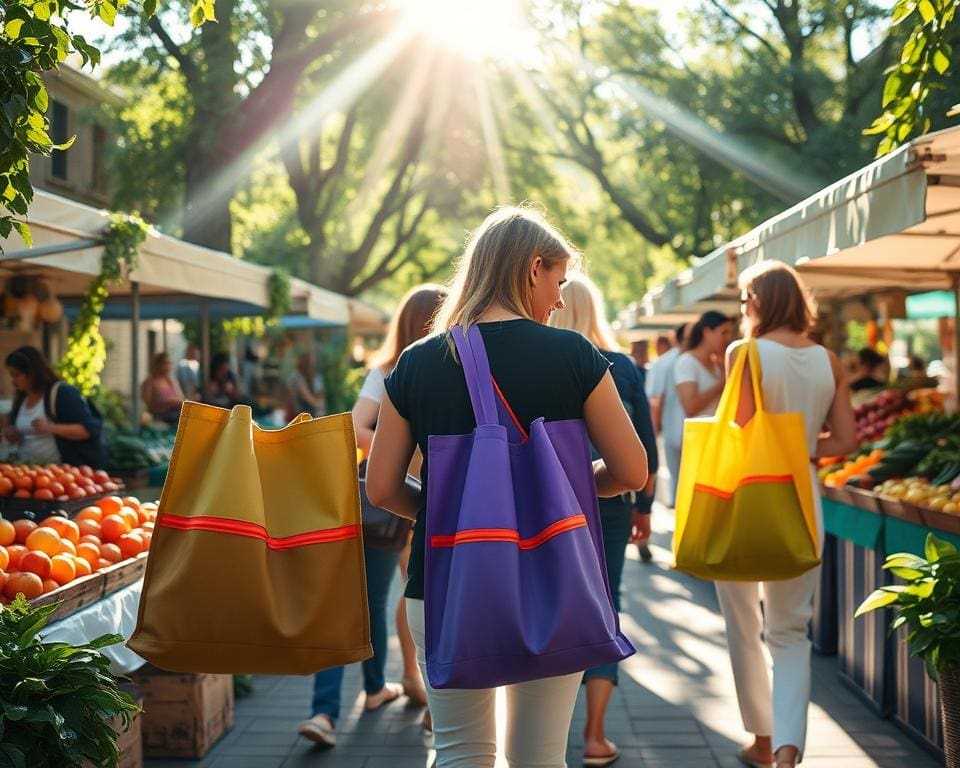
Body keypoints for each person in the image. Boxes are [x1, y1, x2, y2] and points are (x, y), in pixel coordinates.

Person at [365, 207, 647, 768]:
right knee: (538, 757)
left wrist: (453, 514)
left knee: (460, 752)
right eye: (558, 281)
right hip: (554, 583)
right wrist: (565, 492)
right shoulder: (573, 356)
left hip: (445, 585)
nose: (560, 300)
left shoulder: (417, 363)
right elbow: (633, 471)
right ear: (532, 268)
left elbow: (379, 489)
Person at [718, 262, 857, 768]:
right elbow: (846, 441)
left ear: (759, 300)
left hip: (747, 505)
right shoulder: (830, 361)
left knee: (742, 624)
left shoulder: (745, 353)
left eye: (745, 299)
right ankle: (787, 750)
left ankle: (759, 738)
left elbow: (741, 428)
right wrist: (800, 445)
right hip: (803, 506)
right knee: (790, 632)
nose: (742, 309)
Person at [297, 285, 445, 747]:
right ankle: (398, 690)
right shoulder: (413, 370)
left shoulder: (399, 370)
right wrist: (411, 453)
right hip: (404, 502)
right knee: (403, 597)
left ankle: (381, 690)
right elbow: (357, 428)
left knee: (380, 598)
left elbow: (358, 428)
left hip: (398, 502)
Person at [550, 274, 658, 767]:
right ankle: (595, 735)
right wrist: (645, 508)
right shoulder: (622, 367)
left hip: (549, 504)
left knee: (549, 605)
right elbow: (645, 449)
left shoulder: (545, 361)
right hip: (611, 505)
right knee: (603, 606)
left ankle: (544, 732)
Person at [2, 346, 105, 467]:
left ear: (32, 372)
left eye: (16, 375)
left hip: (58, 475)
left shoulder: (62, 393)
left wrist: (50, 427)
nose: (13, 381)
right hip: (25, 472)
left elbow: (87, 430)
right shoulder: (21, 398)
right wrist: (12, 434)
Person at [645, 323, 688, 507]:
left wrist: (653, 434)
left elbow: (654, 400)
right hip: (677, 429)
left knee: (677, 481)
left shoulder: (663, 363)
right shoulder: (669, 362)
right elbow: (656, 401)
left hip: (672, 430)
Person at [674, 310, 734, 421]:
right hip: (700, 434)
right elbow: (690, 408)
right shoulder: (687, 362)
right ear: (707, 332)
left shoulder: (718, 363)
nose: (728, 339)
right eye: (724, 332)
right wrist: (721, 385)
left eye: (730, 333)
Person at [141, 352, 185, 426]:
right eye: (166, 363)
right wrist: (167, 403)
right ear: (158, 365)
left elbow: (181, 398)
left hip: (176, 412)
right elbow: (149, 406)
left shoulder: (170, 381)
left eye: (169, 363)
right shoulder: (149, 382)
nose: (169, 366)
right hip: (161, 415)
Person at [289, 352, 326, 417]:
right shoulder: (297, 378)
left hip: (310, 411)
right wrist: (320, 404)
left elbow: (320, 394)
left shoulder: (314, 376)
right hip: (300, 413)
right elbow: (309, 399)